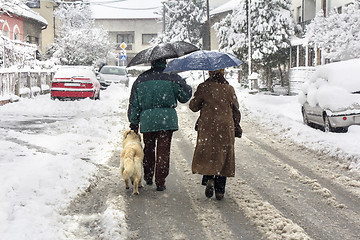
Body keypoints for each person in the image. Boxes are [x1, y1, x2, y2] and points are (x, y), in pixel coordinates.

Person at [127, 58, 192, 191]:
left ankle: (149, 175)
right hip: (167, 120)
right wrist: (184, 84)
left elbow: (134, 103)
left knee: (148, 148)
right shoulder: (172, 77)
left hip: (148, 120)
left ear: (151, 63)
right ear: (165, 62)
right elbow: (184, 97)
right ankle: (160, 181)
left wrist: (134, 122)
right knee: (164, 151)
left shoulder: (141, 79)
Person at [189, 68, 241, 200]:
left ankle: (209, 178)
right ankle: (220, 190)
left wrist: (201, 93)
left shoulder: (204, 87)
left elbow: (193, 106)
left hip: (208, 125)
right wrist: (236, 125)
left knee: (209, 153)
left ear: (209, 73)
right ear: (223, 73)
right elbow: (236, 109)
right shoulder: (229, 89)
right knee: (223, 154)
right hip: (225, 126)